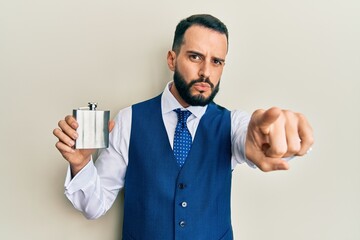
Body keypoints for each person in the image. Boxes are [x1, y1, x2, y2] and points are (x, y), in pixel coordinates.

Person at [53, 14, 313, 240]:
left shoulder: (234, 124)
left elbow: (254, 141)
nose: (205, 72)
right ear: (171, 59)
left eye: (216, 62)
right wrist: (80, 164)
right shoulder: (129, 119)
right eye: (195, 57)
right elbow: (94, 207)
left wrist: (272, 143)